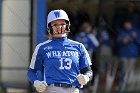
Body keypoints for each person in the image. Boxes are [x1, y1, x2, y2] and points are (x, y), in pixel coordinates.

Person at [27, 9, 93, 93]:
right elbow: (31, 71)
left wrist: (86, 77)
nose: (59, 27)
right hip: (52, 89)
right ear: (49, 27)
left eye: (62, 24)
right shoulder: (42, 48)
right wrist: (37, 83)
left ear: (67, 25)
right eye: (55, 25)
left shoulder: (79, 46)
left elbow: (88, 71)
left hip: (73, 90)